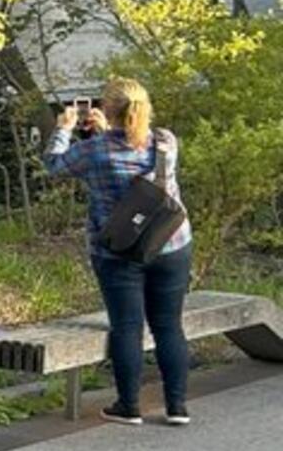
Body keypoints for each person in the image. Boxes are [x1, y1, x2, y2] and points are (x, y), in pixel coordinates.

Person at [47, 78, 193, 426]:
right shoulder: (166, 142)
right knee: (168, 325)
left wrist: (64, 129)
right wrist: (106, 130)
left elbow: (54, 165)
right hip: (170, 242)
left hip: (119, 250)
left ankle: (129, 406)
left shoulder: (95, 151)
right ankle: (177, 407)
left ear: (107, 110)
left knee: (127, 326)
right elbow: (130, 148)